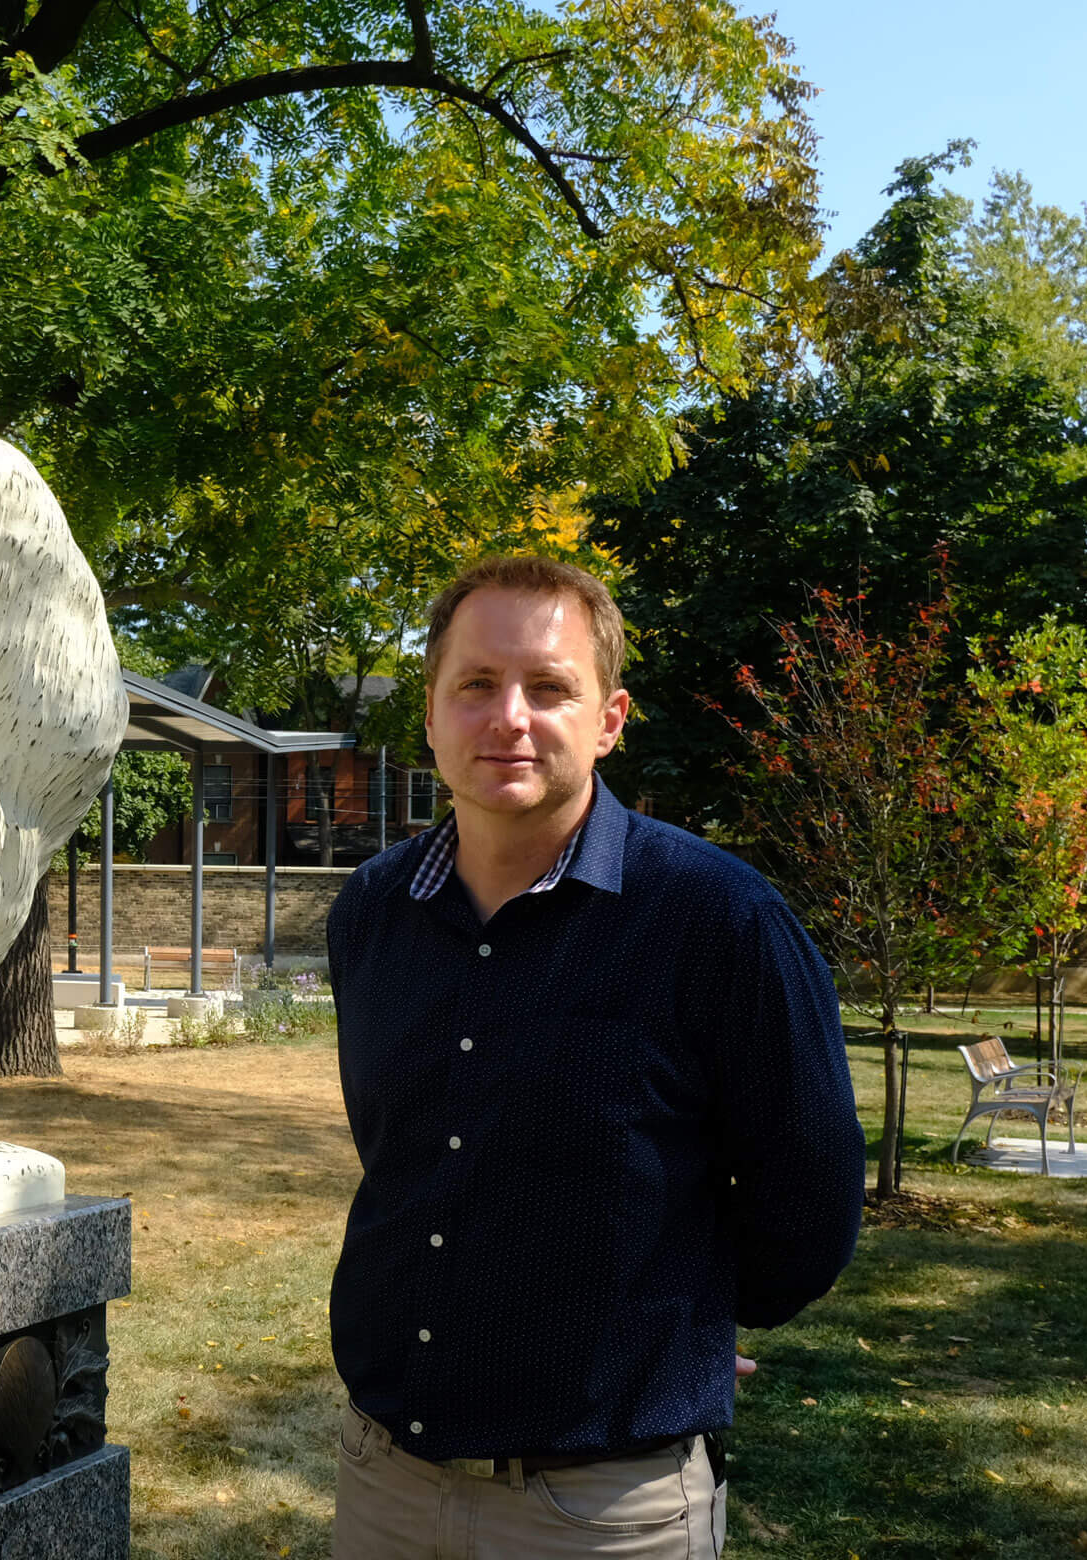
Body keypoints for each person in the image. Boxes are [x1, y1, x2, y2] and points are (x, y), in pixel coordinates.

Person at [326, 555, 865, 1560]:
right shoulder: (372, 912)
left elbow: (812, 1197)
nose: (510, 718)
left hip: (605, 1514)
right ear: (431, 715)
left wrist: (689, 1321)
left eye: (550, 688)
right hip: (383, 1482)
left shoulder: (720, 921)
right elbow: (402, 1154)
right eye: (475, 684)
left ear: (609, 720)